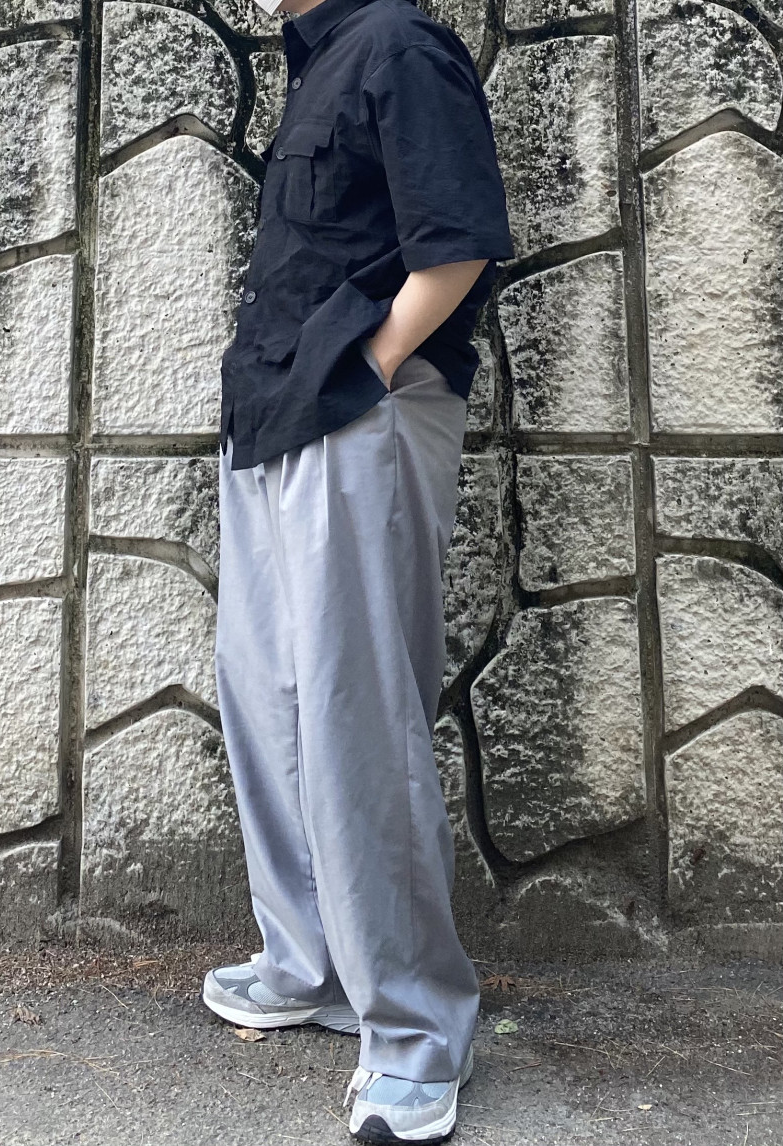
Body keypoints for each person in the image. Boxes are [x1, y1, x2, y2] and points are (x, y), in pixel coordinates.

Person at [201, 0, 514, 1139]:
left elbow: (457, 241)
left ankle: (419, 1032)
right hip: (275, 418)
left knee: (354, 720)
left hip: (354, 416)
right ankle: (313, 962)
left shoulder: (399, 44)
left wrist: (372, 367)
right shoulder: (322, 60)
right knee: (269, 699)